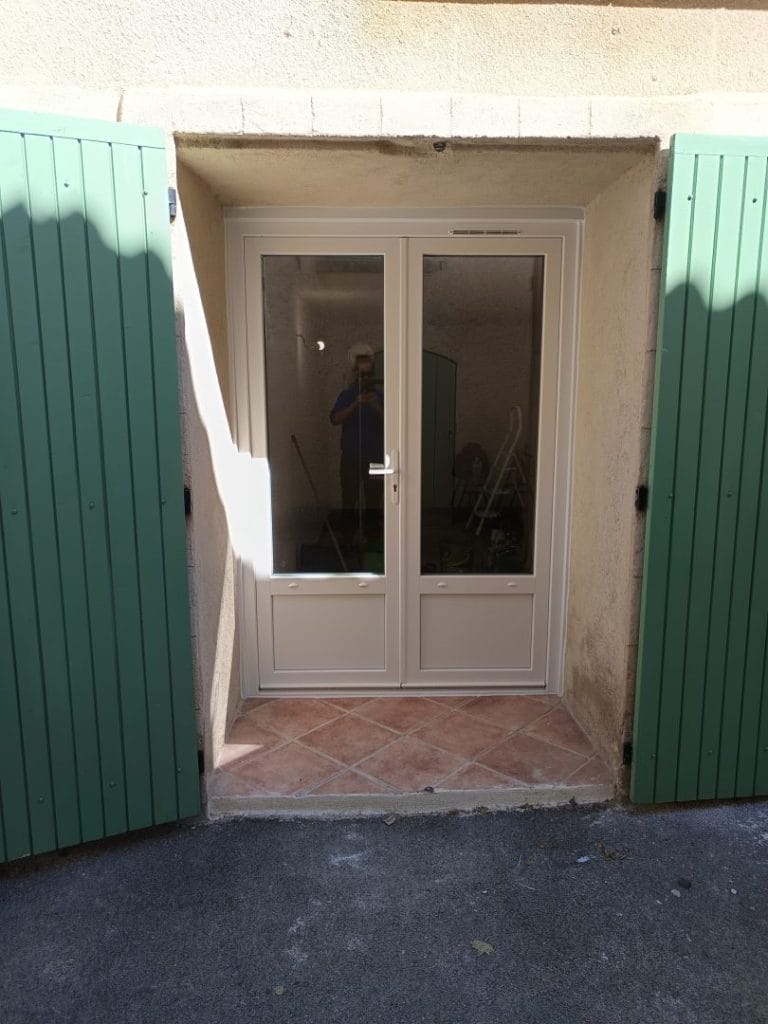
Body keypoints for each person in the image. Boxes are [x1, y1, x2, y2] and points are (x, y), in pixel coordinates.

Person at [330, 343, 384, 541]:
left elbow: (394, 424)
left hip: (376, 458)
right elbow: (334, 419)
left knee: (374, 502)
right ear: (355, 375)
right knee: (349, 501)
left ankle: (373, 542)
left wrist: (376, 406)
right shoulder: (347, 395)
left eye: (369, 375)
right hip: (351, 459)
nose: (366, 379)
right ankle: (347, 540)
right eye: (362, 375)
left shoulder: (381, 396)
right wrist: (355, 405)